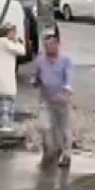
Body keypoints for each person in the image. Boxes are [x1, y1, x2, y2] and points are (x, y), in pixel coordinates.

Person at [31, 31, 74, 167]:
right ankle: (49, 151)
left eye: (51, 45)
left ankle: (66, 155)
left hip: (61, 99)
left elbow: (69, 77)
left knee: (63, 128)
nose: (48, 48)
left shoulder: (65, 60)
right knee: (45, 126)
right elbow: (36, 77)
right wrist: (35, 82)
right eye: (46, 45)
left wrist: (66, 90)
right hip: (46, 99)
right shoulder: (40, 60)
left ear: (57, 45)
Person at [0, 26, 24, 131]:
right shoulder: (8, 44)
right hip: (6, 84)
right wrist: (16, 41)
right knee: (6, 112)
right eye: (14, 33)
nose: (15, 35)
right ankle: (4, 129)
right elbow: (22, 51)